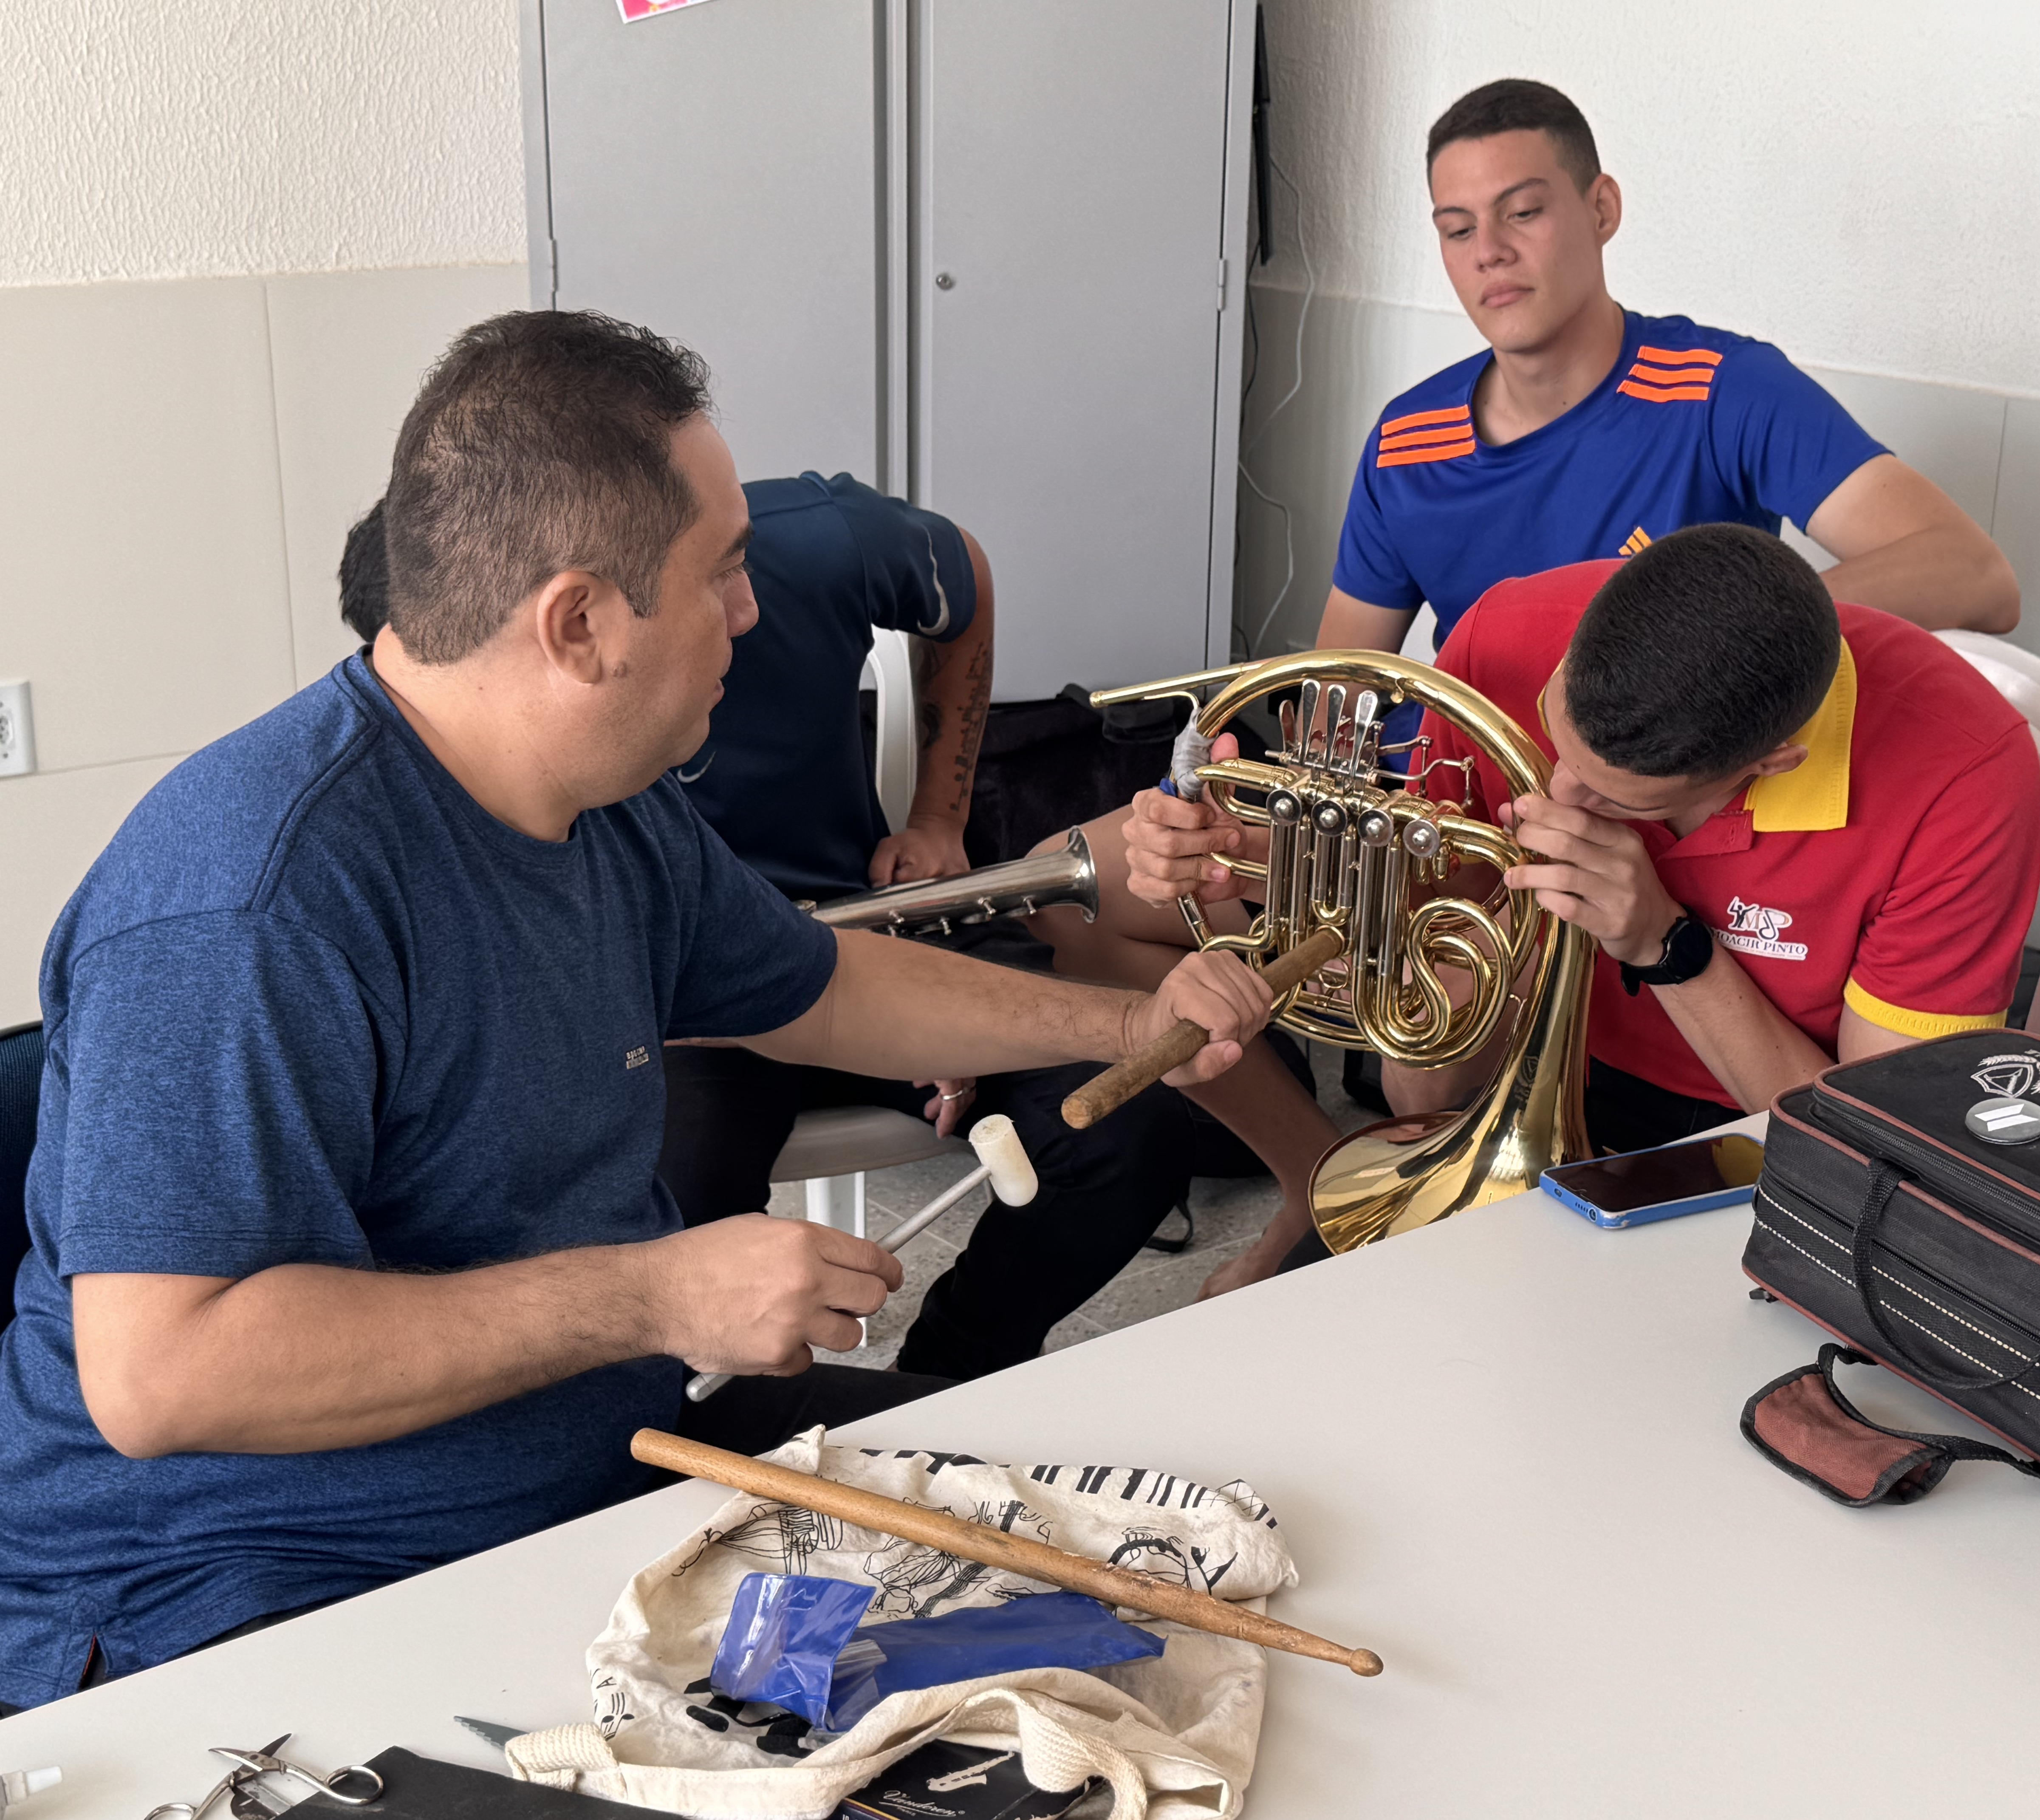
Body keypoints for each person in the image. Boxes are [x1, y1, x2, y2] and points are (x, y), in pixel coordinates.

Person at [0, 310, 1271, 1711]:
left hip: (603, 1472)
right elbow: (164, 1373)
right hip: (245, 1595)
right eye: (722, 570)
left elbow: (820, 983)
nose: (752, 612)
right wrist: (658, 1293)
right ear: (580, 622)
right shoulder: (251, 898)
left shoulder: (603, 805)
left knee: (1132, 1584)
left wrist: (1128, 1025)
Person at [340, 481, 1201, 1381]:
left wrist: (939, 831)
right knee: (656, 1227)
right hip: (680, 1010)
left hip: (851, 932)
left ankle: (941, 1379)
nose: (743, 612)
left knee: (1134, 1128)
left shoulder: (796, 556)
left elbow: (819, 981)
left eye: (737, 575)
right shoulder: (442, 790)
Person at [1093, 525, 2040, 1283]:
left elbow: (1869, 1158)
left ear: (1770, 763)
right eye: (1555, 735)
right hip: (1518, 1078)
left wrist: (1665, 945)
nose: (1556, 799)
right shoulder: (1513, 630)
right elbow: (1429, 1014)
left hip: (1753, 1142)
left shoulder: (1963, 775)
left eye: (1619, 801)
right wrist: (1275, 861)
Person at [1316, 77, 2018, 681]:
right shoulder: (1404, 442)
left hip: (1667, 788)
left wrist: (1712, 633)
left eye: (1523, 213)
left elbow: (1976, 575)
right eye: (1458, 230)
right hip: (1462, 788)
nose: (1490, 252)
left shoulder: (1722, 392)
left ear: (1601, 210)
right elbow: (1332, 701)